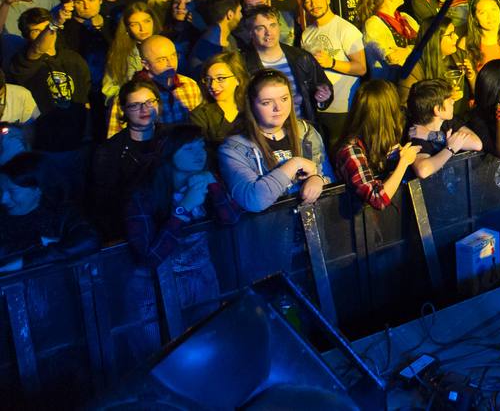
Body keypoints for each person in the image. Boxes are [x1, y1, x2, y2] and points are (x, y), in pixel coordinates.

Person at [122, 123, 240, 335]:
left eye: (201, 146)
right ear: (168, 153)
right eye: (189, 148)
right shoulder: (144, 195)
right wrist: (183, 208)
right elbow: (149, 258)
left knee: (207, 341)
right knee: (160, 351)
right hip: (155, 287)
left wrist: (213, 184)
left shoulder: (203, 181)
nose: (200, 154)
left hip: (202, 278)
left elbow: (231, 219)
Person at [219, 69, 333, 212]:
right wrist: (295, 163)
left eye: (284, 99)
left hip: (309, 225)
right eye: (267, 102)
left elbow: (329, 176)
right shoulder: (233, 148)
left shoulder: (306, 132)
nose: (278, 108)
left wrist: (319, 179)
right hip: (268, 230)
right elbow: (254, 200)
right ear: (252, 105)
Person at [8, 6, 93, 152]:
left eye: (46, 28)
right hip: (42, 140)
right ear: (26, 36)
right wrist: (53, 24)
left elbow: (85, 102)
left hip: (75, 137)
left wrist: (87, 137)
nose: (45, 33)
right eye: (36, 31)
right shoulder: (23, 61)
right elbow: (37, 50)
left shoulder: (73, 59)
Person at [0, 152, 98, 272]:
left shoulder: (62, 213)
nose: (3, 199)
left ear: (38, 189)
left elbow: (89, 241)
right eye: (2, 190)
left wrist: (27, 261)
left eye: (12, 191)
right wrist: (40, 242)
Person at [90, 80, 164, 237]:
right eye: (135, 105)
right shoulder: (109, 150)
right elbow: (103, 203)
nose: (144, 109)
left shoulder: (172, 138)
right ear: (124, 109)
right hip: (131, 227)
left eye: (149, 102)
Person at [333, 81, 423, 210]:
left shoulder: (379, 137)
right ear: (387, 113)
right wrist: (403, 162)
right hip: (355, 222)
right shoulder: (350, 150)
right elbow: (377, 199)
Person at [241, 5, 334, 124]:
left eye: (272, 25)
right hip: (264, 133)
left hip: (302, 128)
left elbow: (323, 88)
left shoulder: (301, 57)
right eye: (260, 28)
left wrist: (322, 97)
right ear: (250, 32)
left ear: (279, 27)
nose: (268, 32)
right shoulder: (242, 64)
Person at [299, 0, 368, 138]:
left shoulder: (346, 29)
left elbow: (361, 68)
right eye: (308, 1)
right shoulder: (306, 34)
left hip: (344, 108)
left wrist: (332, 63)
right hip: (319, 106)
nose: (313, 4)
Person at [404, 79, 483, 178]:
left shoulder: (448, 121)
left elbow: (477, 144)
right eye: (449, 100)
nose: (453, 101)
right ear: (437, 110)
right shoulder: (416, 134)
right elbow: (423, 170)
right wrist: (450, 149)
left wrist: (434, 136)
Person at [189, 51, 250, 144]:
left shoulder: (251, 108)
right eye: (208, 80)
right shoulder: (199, 116)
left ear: (238, 79)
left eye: (220, 78)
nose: (213, 85)